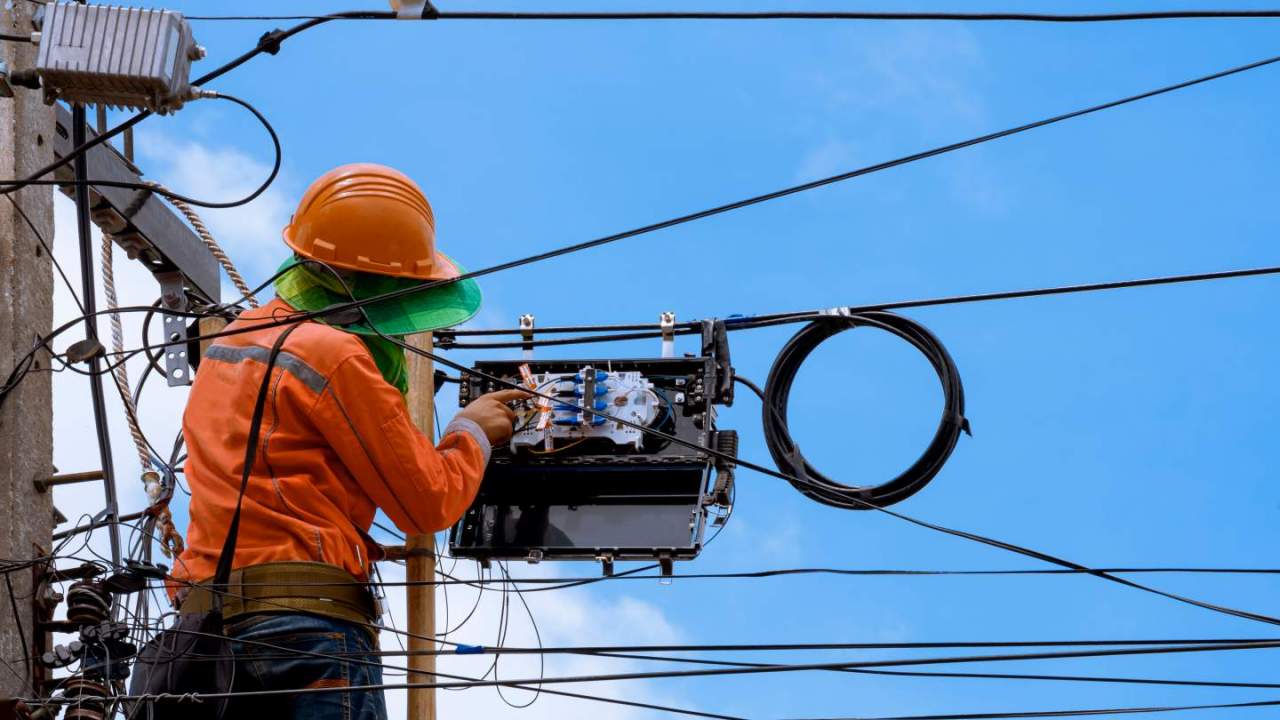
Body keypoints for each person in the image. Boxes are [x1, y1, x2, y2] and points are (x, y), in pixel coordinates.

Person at [166, 163, 522, 719]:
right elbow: (425, 502)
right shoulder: (336, 356)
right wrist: (471, 431)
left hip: (204, 637)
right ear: (373, 285)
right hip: (307, 630)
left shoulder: (230, 345)